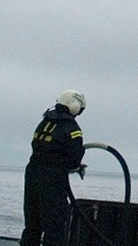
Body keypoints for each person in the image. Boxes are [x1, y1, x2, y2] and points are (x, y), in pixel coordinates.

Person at [21, 90, 87, 246]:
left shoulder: (45, 122)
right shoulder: (72, 127)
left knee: (32, 225)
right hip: (52, 180)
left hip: (32, 174)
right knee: (55, 226)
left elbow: (40, 148)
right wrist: (75, 165)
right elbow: (72, 159)